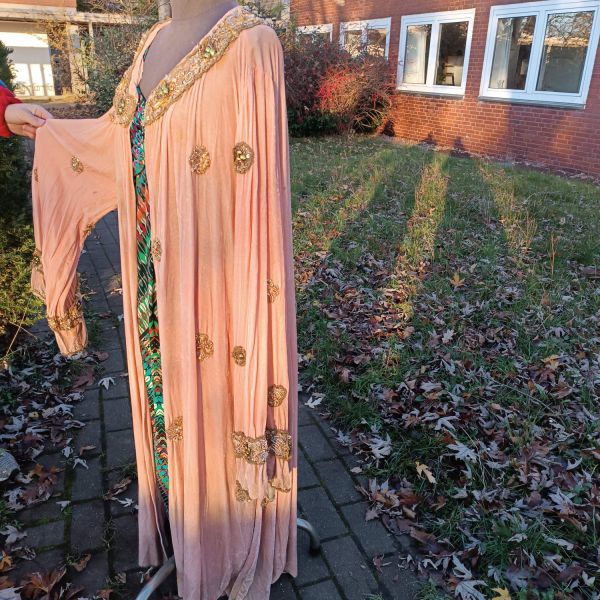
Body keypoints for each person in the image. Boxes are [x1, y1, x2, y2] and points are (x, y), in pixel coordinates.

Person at [17, 1, 298, 598]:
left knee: (219, 407)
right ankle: (187, 537)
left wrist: (252, 310)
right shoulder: (152, 41)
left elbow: (261, 201)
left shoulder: (251, 42)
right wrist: (49, 132)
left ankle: (228, 545)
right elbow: (112, 145)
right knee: (168, 411)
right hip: (151, 287)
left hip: (218, 291)